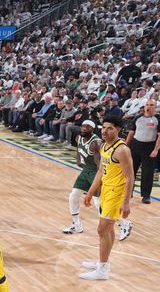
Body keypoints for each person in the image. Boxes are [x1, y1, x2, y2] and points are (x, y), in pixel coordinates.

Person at [80, 116, 135, 280]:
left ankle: (103, 269)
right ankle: (102, 262)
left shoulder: (122, 150)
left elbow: (130, 177)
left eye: (109, 128)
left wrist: (126, 203)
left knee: (102, 229)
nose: (104, 131)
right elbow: (100, 171)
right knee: (108, 229)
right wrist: (90, 192)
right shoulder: (104, 145)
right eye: (103, 127)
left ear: (118, 129)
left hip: (117, 193)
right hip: (106, 192)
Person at [63, 120, 102, 234]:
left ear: (93, 129)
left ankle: (123, 223)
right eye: (83, 126)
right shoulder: (78, 137)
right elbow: (79, 150)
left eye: (87, 127)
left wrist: (101, 179)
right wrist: (78, 161)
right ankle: (76, 225)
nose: (84, 128)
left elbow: (100, 165)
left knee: (98, 202)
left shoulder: (96, 143)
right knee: (73, 196)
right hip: (86, 170)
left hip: (95, 173)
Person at [125, 99, 159, 204]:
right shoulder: (138, 118)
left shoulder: (158, 118)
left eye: (151, 105)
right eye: (147, 105)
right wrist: (126, 146)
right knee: (131, 171)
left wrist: (156, 150)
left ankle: (146, 195)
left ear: (155, 107)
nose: (149, 107)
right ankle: (129, 191)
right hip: (135, 145)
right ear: (144, 106)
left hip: (149, 148)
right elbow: (131, 133)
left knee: (147, 173)